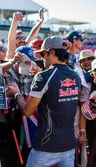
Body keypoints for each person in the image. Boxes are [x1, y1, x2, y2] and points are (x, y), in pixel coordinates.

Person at [10, 36, 81, 167]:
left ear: (51, 52)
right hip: (69, 145)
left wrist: (17, 93)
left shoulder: (43, 76)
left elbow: (27, 110)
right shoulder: (76, 76)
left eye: (43, 54)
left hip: (46, 146)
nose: (41, 58)